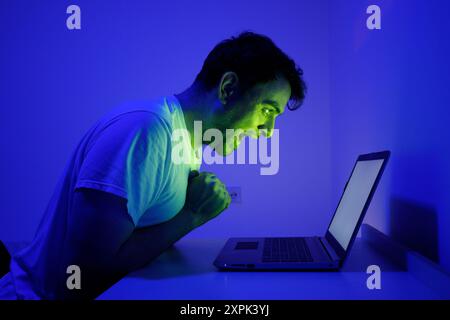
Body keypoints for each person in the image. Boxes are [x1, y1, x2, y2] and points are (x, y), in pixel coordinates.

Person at [0, 31, 306, 299]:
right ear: (227, 88)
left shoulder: (186, 144)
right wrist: (192, 214)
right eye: (267, 110)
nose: (268, 131)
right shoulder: (146, 131)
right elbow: (78, 280)